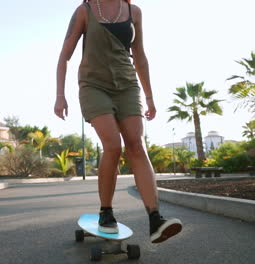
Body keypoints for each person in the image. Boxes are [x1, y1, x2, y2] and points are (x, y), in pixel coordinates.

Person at [55, 0, 182, 243]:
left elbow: (140, 56)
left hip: (127, 85)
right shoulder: (86, 10)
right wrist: (60, 95)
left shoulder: (134, 12)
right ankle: (106, 212)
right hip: (94, 86)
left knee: (136, 144)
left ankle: (155, 219)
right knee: (113, 145)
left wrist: (150, 96)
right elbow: (65, 56)